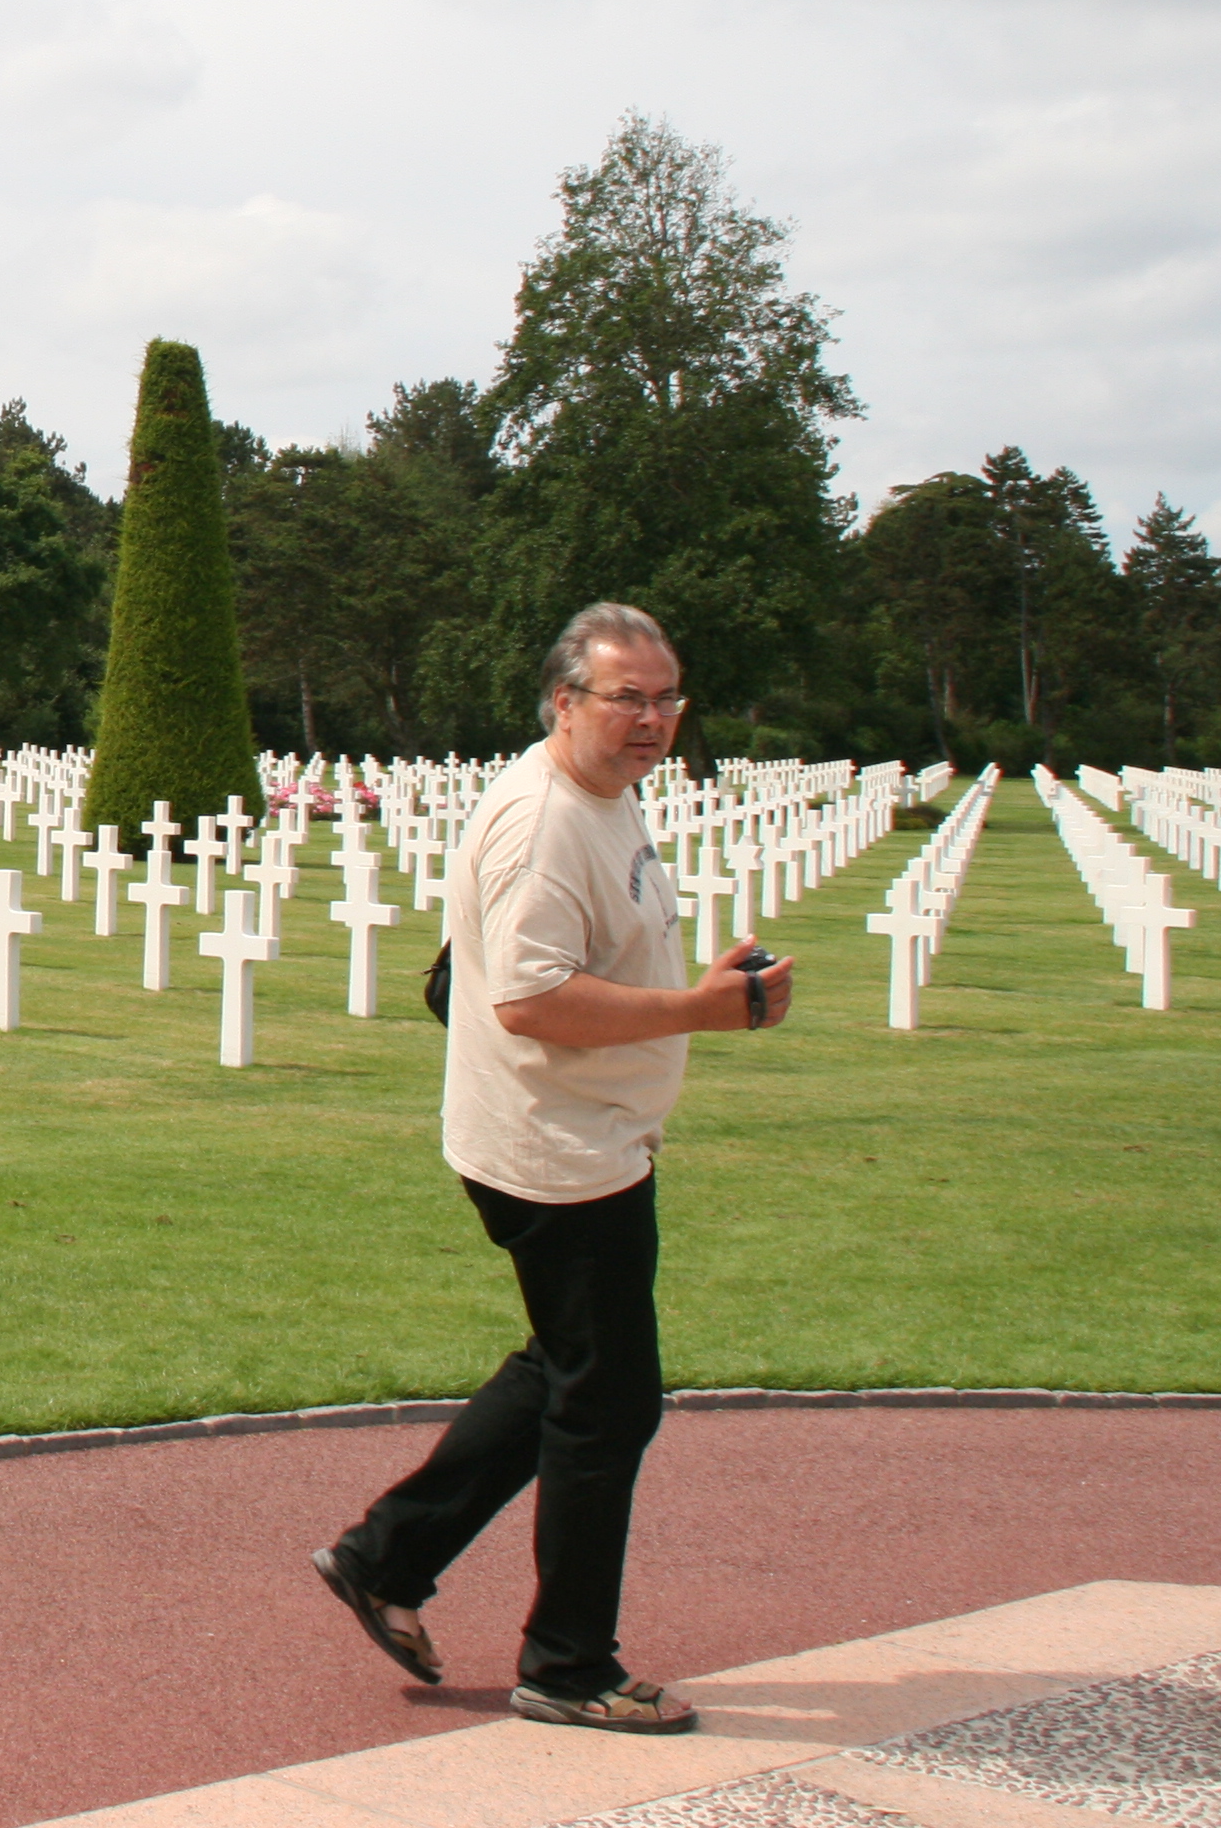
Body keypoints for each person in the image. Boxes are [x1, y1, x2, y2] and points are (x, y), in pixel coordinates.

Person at [312, 600, 791, 1734]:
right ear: (565, 702)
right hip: (558, 1151)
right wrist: (704, 1012)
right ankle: (568, 1666)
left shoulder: (602, 796)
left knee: (572, 1369)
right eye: (628, 698)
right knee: (610, 1406)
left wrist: (698, 987)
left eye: (667, 699)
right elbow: (530, 1000)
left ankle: (386, 1555)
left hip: (584, 1132)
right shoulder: (546, 821)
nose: (653, 720)